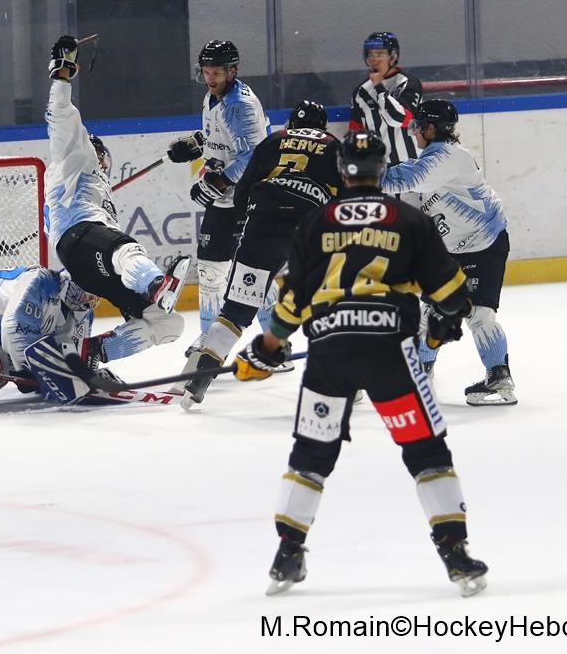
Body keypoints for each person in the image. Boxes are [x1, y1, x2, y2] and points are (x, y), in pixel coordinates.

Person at [232, 129, 489, 598]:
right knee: (426, 452)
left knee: (311, 455)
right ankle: (455, 554)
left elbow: (291, 301)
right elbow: (452, 294)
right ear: (381, 169)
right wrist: (445, 321)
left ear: (342, 171)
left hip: (328, 353)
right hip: (389, 352)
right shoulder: (408, 219)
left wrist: (267, 348)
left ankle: (287, 554)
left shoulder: (316, 222)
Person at [181, 100, 340, 407]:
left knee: (235, 312)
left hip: (262, 225)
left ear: (292, 124)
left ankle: (200, 378)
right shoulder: (334, 146)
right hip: (309, 230)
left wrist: (253, 219)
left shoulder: (274, 140)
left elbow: (242, 191)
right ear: (323, 127)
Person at [44, 35, 189, 355]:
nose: (103, 162)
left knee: (168, 324)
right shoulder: (76, 157)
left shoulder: (91, 185)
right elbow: (61, 117)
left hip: (87, 264)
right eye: (100, 155)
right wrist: (62, 74)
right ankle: (155, 284)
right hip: (80, 237)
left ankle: (91, 354)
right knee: (126, 249)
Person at [381, 99, 515, 406]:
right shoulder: (436, 157)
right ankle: (421, 373)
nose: (414, 131)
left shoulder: (447, 157)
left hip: (484, 244)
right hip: (453, 250)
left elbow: (406, 178)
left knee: (479, 314)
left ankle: (499, 378)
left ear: (431, 128)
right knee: (431, 313)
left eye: (418, 125)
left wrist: (359, 173)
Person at [0, 266, 164, 418]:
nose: (90, 302)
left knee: (11, 362)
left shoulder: (82, 313)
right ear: (73, 283)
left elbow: (71, 355)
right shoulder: (40, 281)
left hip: (5, 340)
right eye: (87, 294)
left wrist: (85, 373)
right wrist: (36, 371)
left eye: (94, 298)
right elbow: (13, 328)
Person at [167, 40, 268, 333]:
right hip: (224, 198)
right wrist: (197, 143)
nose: (210, 78)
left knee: (251, 274)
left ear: (232, 72)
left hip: (246, 198)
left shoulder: (239, 105)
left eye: (217, 73)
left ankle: (276, 341)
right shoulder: (214, 97)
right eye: (206, 72)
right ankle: (207, 341)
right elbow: (223, 137)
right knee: (211, 272)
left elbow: (255, 155)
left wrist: (218, 182)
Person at [348, 31, 423, 166]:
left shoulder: (408, 83)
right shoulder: (361, 91)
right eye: (370, 54)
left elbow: (400, 119)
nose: (373, 59)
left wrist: (379, 87)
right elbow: (356, 130)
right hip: (379, 167)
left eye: (379, 54)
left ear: (393, 57)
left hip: (412, 165)